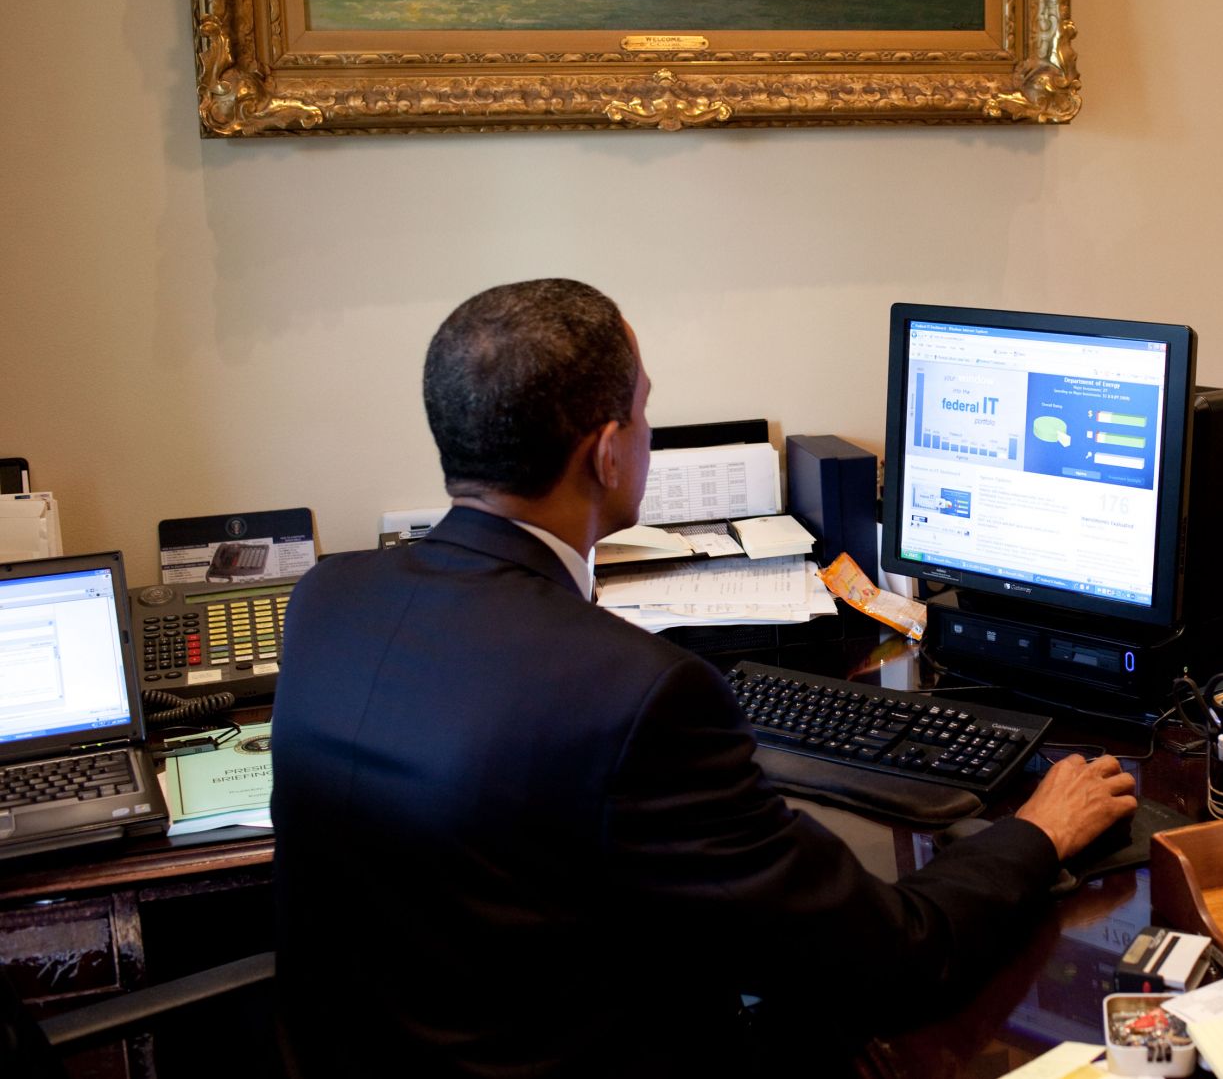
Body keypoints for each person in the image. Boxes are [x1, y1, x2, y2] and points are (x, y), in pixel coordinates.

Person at [270, 279, 1136, 1076]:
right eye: (646, 411)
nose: (648, 431)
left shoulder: (327, 602)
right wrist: (1038, 831)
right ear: (608, 454)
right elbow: (893, 959)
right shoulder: (639, 693)